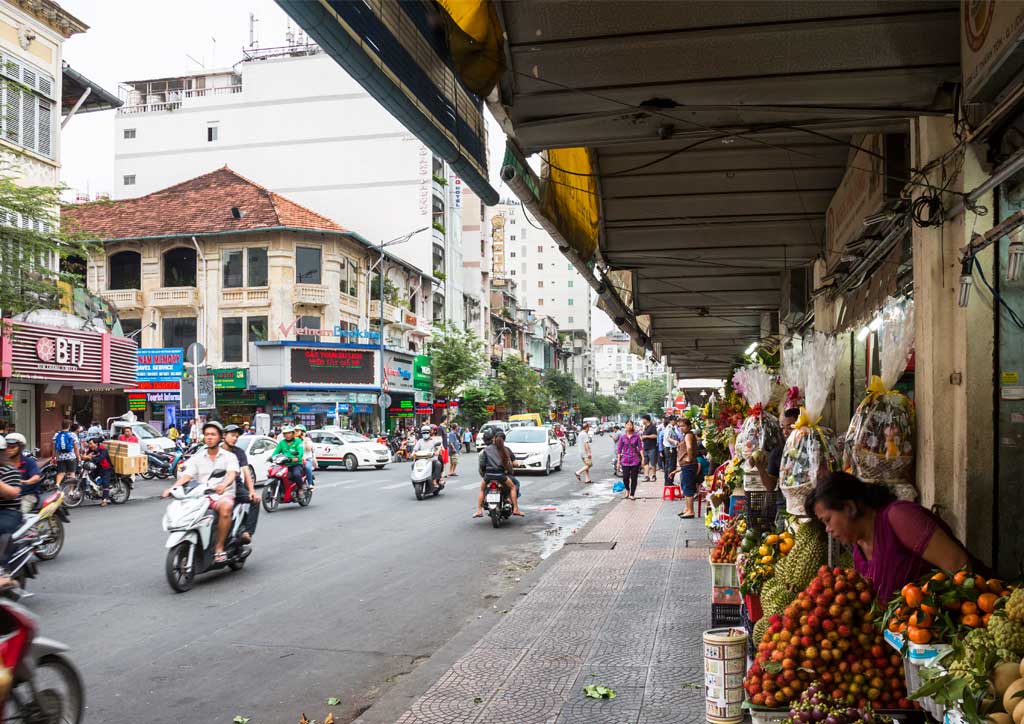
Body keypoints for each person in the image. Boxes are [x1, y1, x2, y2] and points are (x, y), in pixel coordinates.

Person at [806, 472, 970, 603]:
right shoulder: (859, 550)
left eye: (827, 520)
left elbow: (958, 564)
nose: (828, 529)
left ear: (849, 507)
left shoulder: (898, 517)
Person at [162, 421, 239, 563]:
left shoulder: (229, 456)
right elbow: (187, 476)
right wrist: (172, 488)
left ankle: (219, 548)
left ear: (220, 437)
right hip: (200, 496)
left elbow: (231, 474)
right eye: (207, 434)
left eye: (213, 434)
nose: (209, 437)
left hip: (222, 495)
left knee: (226, 508)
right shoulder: (197, 457)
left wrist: (223, 485)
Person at [222, 424, 259, 544]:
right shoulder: (215, 451)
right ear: (224, 436)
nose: (235, 438)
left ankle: (248, 532)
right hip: (215, 486)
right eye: (232, 435)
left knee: (255, 500)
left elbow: (246, 472)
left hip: (236, 487)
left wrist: (252, 491)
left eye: (236, 437)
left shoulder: (239, 453)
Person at [473, 429, 523, 518]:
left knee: (481, 490)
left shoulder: (486, 450)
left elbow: (482, 465)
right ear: (504, 440)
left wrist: (486, 473)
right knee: (512, 487)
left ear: (494, 439)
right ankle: (515, 508)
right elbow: (515, 463)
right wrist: (518, 464)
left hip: (488, 476)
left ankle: (479, 510)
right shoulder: (506, 450)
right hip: (501, 476)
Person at [753, 408, 800, 492]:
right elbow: (770, 486)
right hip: (786, 502)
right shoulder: (777, 453)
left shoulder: (810, 449)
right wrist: (761, 470)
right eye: (783, 428)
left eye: (790, 428)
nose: (785, 432)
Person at [4, 434, 40, 515]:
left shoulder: (29, 462)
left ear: (21, 448)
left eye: (12, 447)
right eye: (7, 447)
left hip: (27, 496)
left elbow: (36, 477)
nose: (9, 450)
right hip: (9, 497)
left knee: (17, 516)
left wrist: (24, 482)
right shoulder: (4, 463)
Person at [675, 418, 699, 518]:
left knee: (688, 487)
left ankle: (690, 511)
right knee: (685, 487)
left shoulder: (688, 435)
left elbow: (689, 447)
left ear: (689, 426)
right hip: (686, 466)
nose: (681, 428)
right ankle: (687, 508)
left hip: (689, 465)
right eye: (680, 426)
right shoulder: (686, 435)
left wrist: (689, 458)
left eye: (683, 426)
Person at [271, 426, 306, 492]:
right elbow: (275, 452)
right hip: (284, 464)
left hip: (296, 464)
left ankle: (300, 489)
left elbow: (300, 452)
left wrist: (297, 458)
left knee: (296, 474)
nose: (287, 435)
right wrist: (272, 457)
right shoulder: (282, 443)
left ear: (293, 433)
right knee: (273, 473)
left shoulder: (298, 441)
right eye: (285, 433)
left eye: (289, 433)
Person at [82, 435, 114, 505]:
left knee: (105, 483)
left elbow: (99, 459)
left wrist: (90, 458)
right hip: (97, 468)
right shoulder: (91, 450)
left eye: (91, 443)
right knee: (89, 477)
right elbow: (85, 457)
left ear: (96, 444)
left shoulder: (103, 450)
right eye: (89, 444)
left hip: (106, 469)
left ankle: (104, 500)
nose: (89, 445)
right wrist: (85, 457)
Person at [616, 421, 643, 500]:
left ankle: (632, 494)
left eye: (630, 425)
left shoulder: (636, 436)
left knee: (634, 478)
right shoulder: (622, 437)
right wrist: (618, 461)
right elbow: (619, 449)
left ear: (632, 426)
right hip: (625, 460)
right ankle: (627, 489)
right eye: (627, 424)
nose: (629, 426)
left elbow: (640, 448)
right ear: (625, 426)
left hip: (635, 460)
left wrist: (643, 458)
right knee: (625, 477)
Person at [53, 419, 79, 488]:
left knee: (61, 472)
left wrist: (54, 457)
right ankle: (71, 491)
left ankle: (57, 485)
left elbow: (54, 448)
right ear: (69, 426)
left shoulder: (57, 434)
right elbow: (76, 448)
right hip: (71, 457)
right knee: (72, 473)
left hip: (60, 457)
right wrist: (78, 457)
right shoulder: (72, 434)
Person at [662, 417, 680, 485]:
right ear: (672, 421)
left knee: (669, 466)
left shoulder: (673, 428)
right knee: (671, 466)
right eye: (675, 420)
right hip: (670, 449)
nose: (676, 422)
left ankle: (668, 481)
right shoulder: (669, 428)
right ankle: (669, 482)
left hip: (671, 448)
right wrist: (674, 441)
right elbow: (668, 438)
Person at [640, 415, 658, 482]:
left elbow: (655, 435)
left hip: (652, 448)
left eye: (643, 419)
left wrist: (646, 436)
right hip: (645, 447)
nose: (642, 421)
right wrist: (642, 438)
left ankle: (654, 476)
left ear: (646, 420)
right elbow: (644, 436)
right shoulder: (645, 427)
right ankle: (646, 476)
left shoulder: (652, 426)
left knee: (653, 463)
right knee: (645, 462)